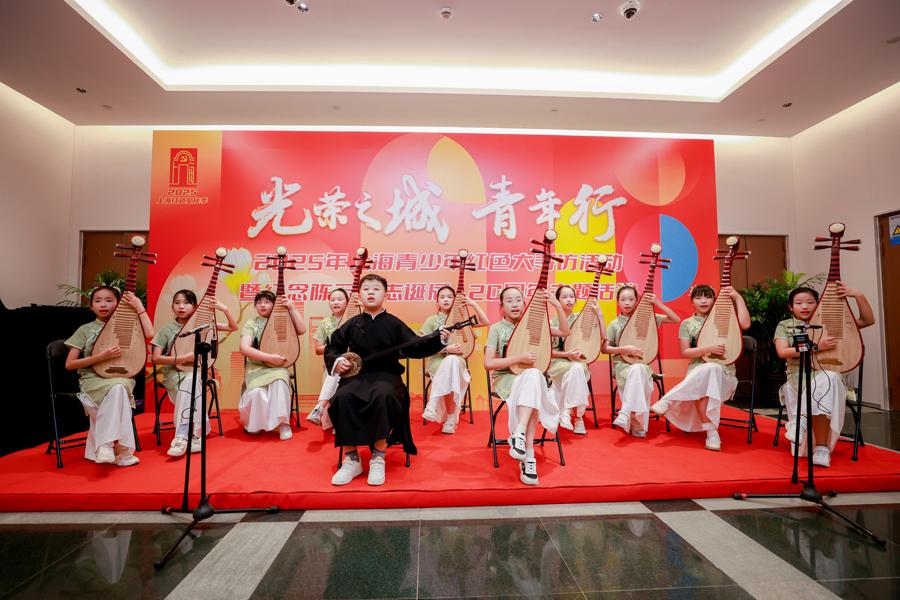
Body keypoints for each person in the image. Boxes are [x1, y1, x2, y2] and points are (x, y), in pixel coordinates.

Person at [327, 274, 450, 487]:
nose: (371, 292)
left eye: (376, 289)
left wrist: (439, 339)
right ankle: (351, 459)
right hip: (357, 377)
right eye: (366, 289)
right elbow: (333, 347)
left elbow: (415, 345)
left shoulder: (394, 323)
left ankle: (378, 457)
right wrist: (337, 361)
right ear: (359, 295)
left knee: (383, 396)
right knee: (342, 397)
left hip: (387, 376)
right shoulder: (352, 324)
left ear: (385, 294)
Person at [774, 284, 874, 467]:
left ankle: (807, 430)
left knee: (830, 377)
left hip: (829, 376)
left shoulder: (830, 322)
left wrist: (858, 294)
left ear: (818, 303)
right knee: (828, 381)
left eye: (810, 302)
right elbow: (782, 352)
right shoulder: (785, 325)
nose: (805, 306)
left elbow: (867, 320)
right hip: (799, 378)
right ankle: (819, 447)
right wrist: (815, 346)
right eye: (799, 303)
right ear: (791, 307)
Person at [484, 286, 570, 486]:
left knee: (533, 375)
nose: (515, 304)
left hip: (531, 380)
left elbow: (565, 331)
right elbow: (488, 363)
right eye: (509, 301)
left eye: (518, 300)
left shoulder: (534, 324)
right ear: (501, 306)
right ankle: (528, 455)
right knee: (534, 383)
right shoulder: (496, 329)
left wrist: (557, 305)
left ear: (525, 304)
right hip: (506, 379)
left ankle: (519, 435)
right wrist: (518, 358)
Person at [650, 285, 751, 451]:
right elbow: (685, 352)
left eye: (707, 297)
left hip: (724, 374)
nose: (703, 301)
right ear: (692, 301)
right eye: (698, 298)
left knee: (712, 368)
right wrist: (707, 349)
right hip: (697, 374)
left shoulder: (724, 317)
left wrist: (737, 297)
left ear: (714, 300)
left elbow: (745, 324)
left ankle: (669, 400)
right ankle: (712, 433)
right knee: (706, 378)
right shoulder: (687, 324)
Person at [64, 286, 154, 466]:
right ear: (91, 306)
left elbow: (150, 334)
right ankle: (123, 451)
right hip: (92, 380)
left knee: (119, 386)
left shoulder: (126, 325)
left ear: (118, 304)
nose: (103, 304)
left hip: (121, 377)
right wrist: (99, 357)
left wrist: (138, 306)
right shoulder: (85, 329)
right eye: (98, 301)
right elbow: (69, 364)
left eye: (109, 300)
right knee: (119, 389)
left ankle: (105, 446)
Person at [151, 289, 238, 457]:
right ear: (172, 306)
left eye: (186, 303)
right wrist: (182, 358)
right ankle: (195, 435)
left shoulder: (203, 325)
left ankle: (182, 436)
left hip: (197, 374)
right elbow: (155, 358)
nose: (181, 307)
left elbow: (232, 327)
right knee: (192, 380)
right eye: (177, 303)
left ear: (195, 306)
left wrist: (225, 309)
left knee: (193, 378)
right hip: (174, 375)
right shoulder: (166, 329)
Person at [602, 284, 679, 438]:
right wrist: (624, 349)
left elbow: (675, 319)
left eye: (631, 299)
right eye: (623, 299)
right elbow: (605, 349)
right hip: (622, 367)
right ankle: (634, 420)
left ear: (637, 301)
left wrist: (657, 303)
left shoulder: (648, 319)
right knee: (637, 370)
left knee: (639, 369)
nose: (627, 303)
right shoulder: (615, 324)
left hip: (643, 366)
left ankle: (626, 413)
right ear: (617, 302)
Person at [420, 285, 489, 434]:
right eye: (442, 297)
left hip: (458, 362)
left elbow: (485, 321)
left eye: (450, 297)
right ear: (437, 302)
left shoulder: (461, 319)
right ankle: (451, 420)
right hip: (437, 362)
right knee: (450, 367)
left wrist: (473, 304)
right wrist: (446, 349)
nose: (446, 299)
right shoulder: (432, 320)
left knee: (452, 361)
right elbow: (422, 345)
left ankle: (432, 404)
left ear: (455, 300)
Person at [238, 290, 306, 440]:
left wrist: (291, 308)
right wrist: (269, 357)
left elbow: (302, 330)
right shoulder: (252, 323)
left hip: (278, 367)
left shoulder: (283, 319)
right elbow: (244, 348)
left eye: (267, 302)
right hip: (256, 367)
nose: (262, 305)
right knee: (256, 392)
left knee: (279, 381)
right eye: (259, 302)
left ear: (274, 304)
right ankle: (255, 424)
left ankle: (283, 424)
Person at [548, 285, 603, 436]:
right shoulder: (551, 323)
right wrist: (567, 354)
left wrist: (599, 314)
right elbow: (547, 352)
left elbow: (603, 337)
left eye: (572, 296)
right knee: (577, 370)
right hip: (558, 364)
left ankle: (567, 412)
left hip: (578, 363)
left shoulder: (582, 318)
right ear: (557, 300)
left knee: (577, 368)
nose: (569, 300)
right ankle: (578, 419)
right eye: (564, 297)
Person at [307, 287, 349, 431]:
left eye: (340, 299)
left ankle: (319, 407)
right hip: (335, 362)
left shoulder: (356, 318)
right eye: (332, 300)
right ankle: (336, 421)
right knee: (335, 369)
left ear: (348, 302)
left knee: (336, 371)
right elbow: (318, 349)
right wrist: (333, 349)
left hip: (355, 363)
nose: (335, 302)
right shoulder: (325, 322)